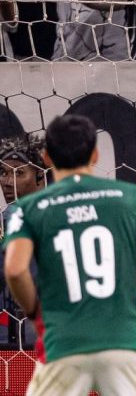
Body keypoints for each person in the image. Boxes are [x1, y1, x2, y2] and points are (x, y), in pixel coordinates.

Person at [3, 114, 136, 395]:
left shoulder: (29, 208)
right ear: (95, 154)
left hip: (64, 342)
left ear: (46, 158)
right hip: (124, 341)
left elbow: (15, 269)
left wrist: (34, 313)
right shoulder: (133, 197)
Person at [0, 134, 47, 344]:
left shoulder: (60, 219)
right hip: (7, 337)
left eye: (19, 173)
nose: (8, 182)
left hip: (41, 336)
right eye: (3, 172)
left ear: (40, 176)